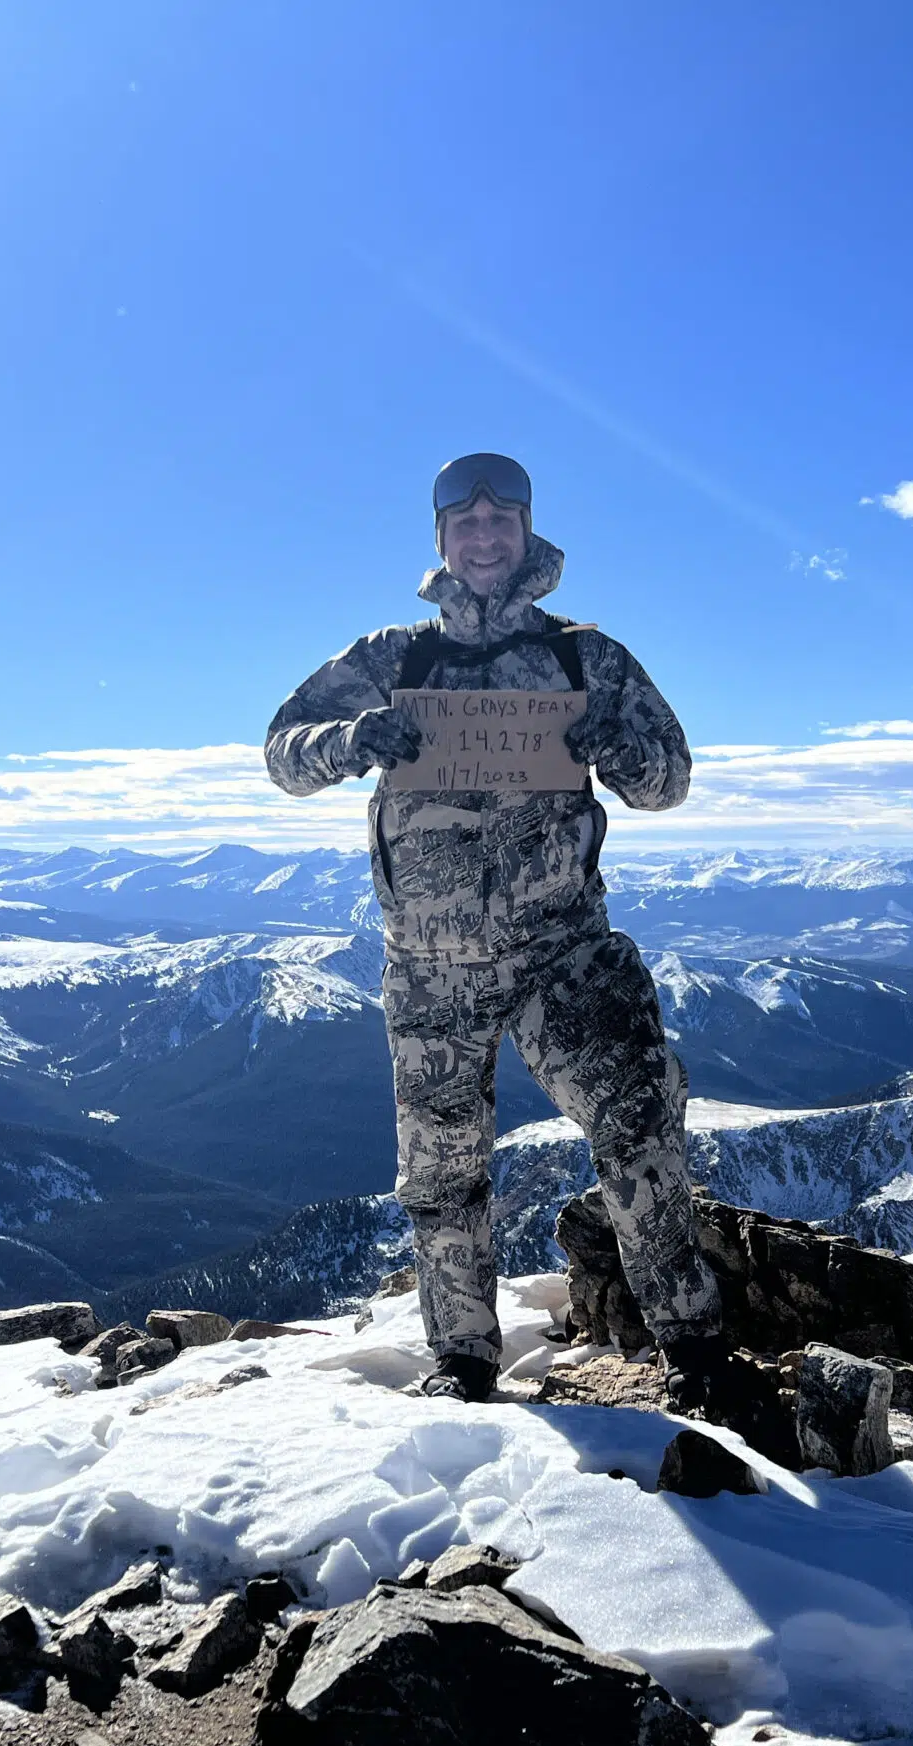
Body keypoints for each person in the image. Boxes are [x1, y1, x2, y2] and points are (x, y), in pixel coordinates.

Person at [264, 452, 753, 1420]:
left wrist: (615, 751)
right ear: (441, 537)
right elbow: (284, 755)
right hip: (430, 963)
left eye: (502, 520)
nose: (484, 537)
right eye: (465, 522)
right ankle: (464, 1359)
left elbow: (669, 782)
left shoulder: (587, 657)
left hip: (564, 950)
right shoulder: (390, 658)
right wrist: (355, 738)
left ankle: (691, 1347)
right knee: (441, 1175)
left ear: (526, 533)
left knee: (638, 1127)